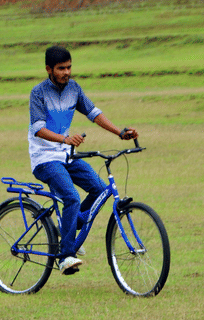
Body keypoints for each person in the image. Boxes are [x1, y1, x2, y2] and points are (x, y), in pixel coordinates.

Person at [29, 46, 138, 275]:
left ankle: (70, 224)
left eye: (69, 67)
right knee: (71, 197)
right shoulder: (38, 93)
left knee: (99, 189)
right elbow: (38, 129)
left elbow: (93, 113)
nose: (66, 72)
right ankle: (65, 255)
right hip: (45, 158)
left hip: (66, 155)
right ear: (49, 69)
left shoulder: (74, 88)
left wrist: (120, 133)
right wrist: (65, 138)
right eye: (61, 68)